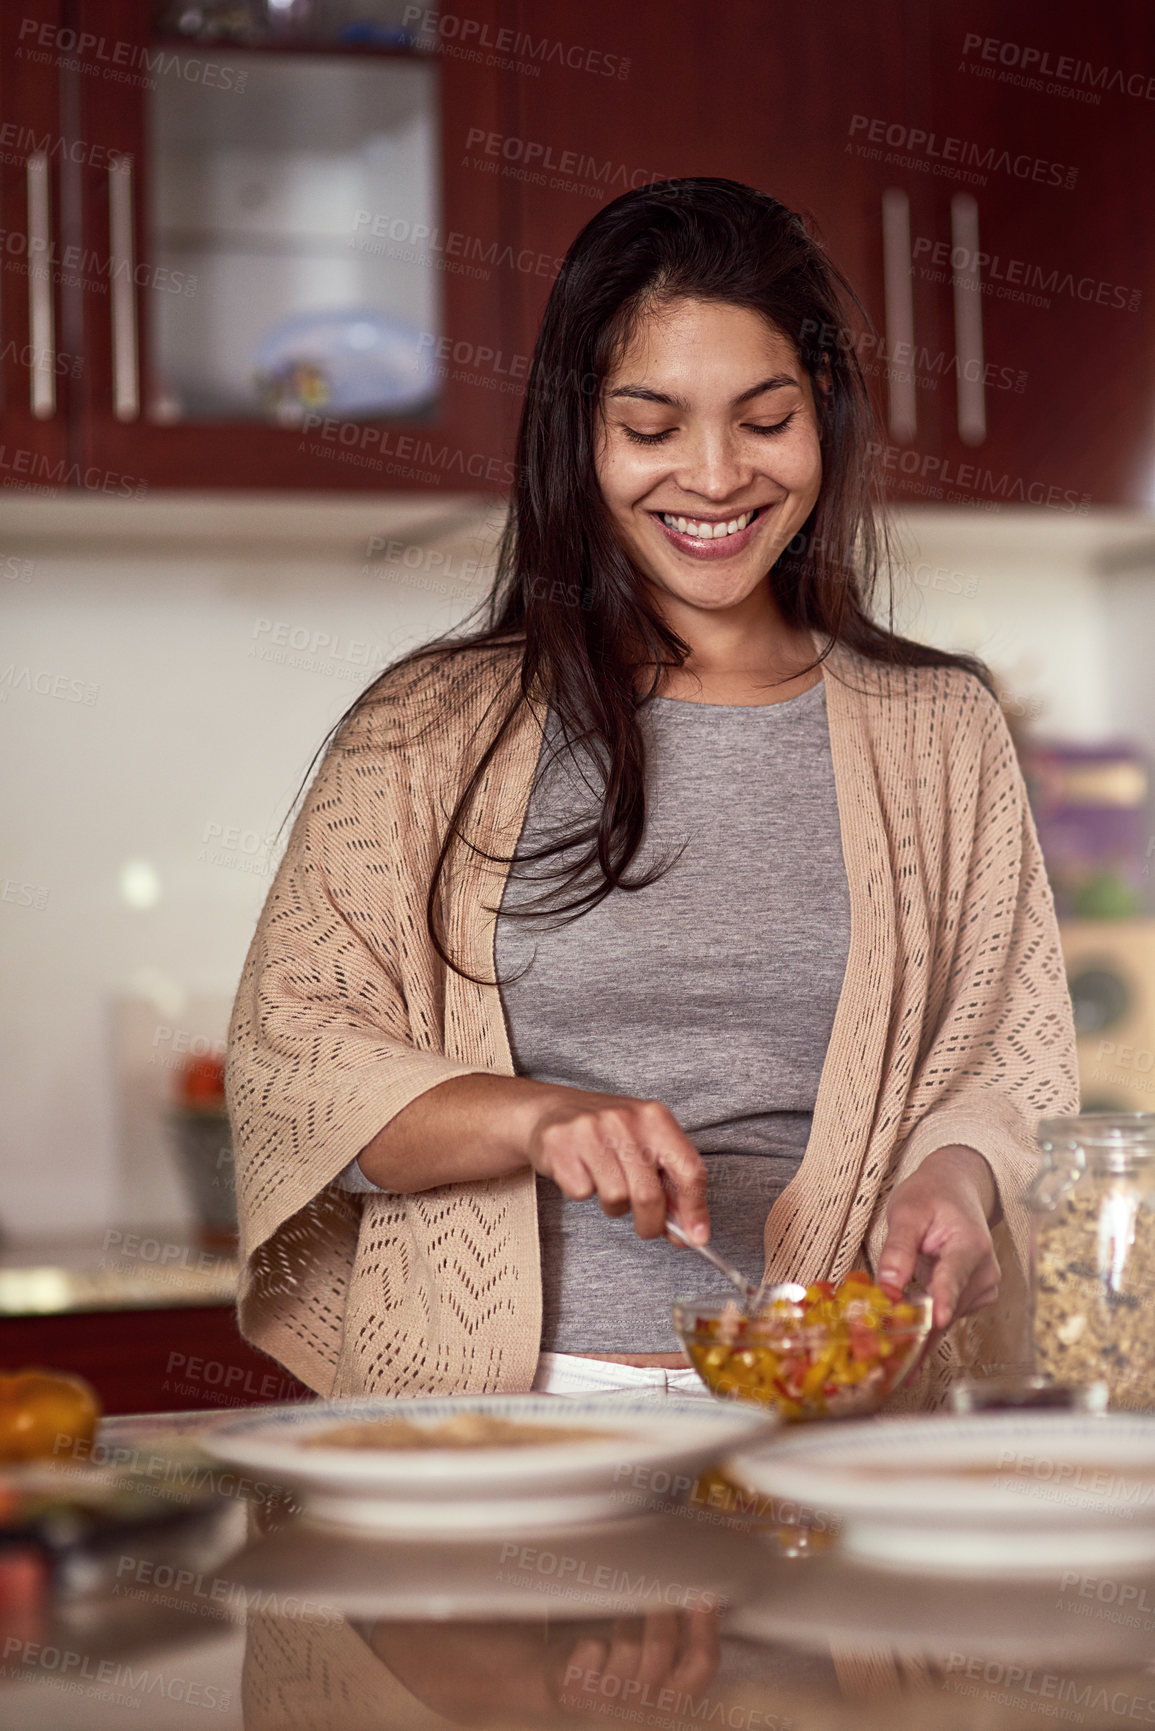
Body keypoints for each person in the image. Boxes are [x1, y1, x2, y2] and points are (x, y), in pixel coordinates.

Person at [225, 178, 1078, 1406]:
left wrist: (958, 1178)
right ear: (582, 439)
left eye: (765, 418)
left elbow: (1004, 1061)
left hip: (830, 1417)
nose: (717, 475)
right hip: (499, 1417)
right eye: (653, 425)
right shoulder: (429, 730)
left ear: (824, 417)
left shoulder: (942, 730)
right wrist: (533, 1118)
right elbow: (294, 1070)